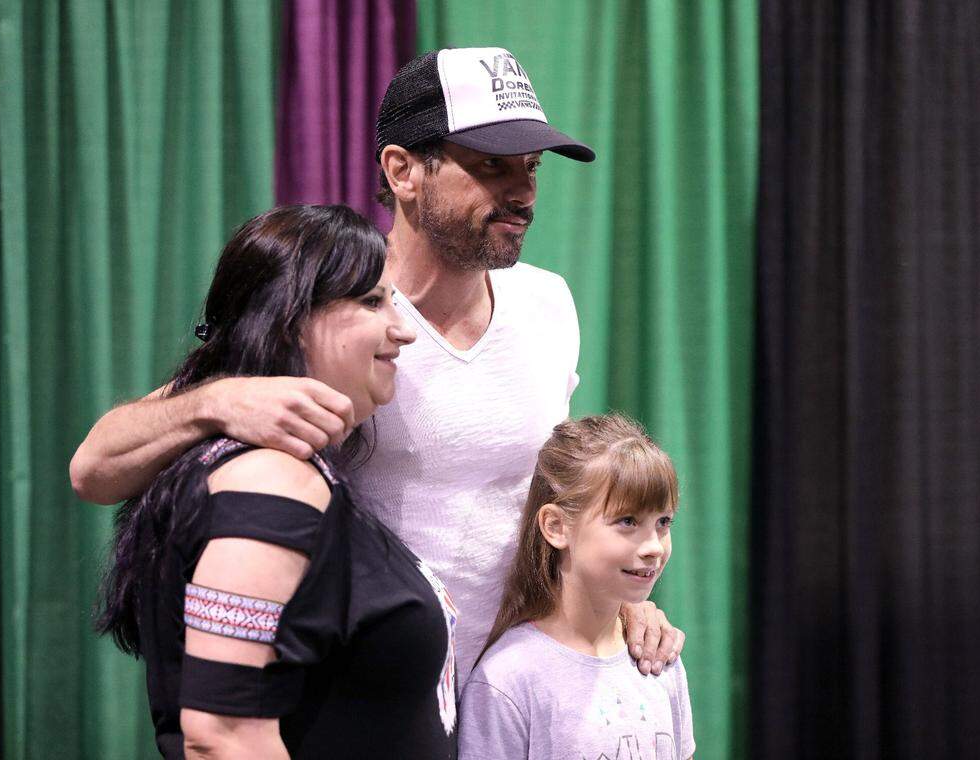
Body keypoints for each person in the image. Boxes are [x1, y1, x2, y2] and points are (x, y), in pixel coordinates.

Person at [73, 46, 682, 681]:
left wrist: (618, 603)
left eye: (530, 168)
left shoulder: (548, 302)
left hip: (511, 697)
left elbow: (558, 506)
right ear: (402, 170)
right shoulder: (338, 319)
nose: (522, 192)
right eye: (492, 167)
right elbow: (95, 468)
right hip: (368, 702)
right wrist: (216, 400)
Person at [95, 204, 459, 759]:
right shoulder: (271, 481)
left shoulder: (286, 471)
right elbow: (220, 737)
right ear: (290, 318)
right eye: (371, 302)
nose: (404, 330)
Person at [458, 414, 695, 760]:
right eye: (627, 521)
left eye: (663, 522)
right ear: (556, 526)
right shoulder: (508, 680)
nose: (654, 547)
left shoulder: (659, 658)